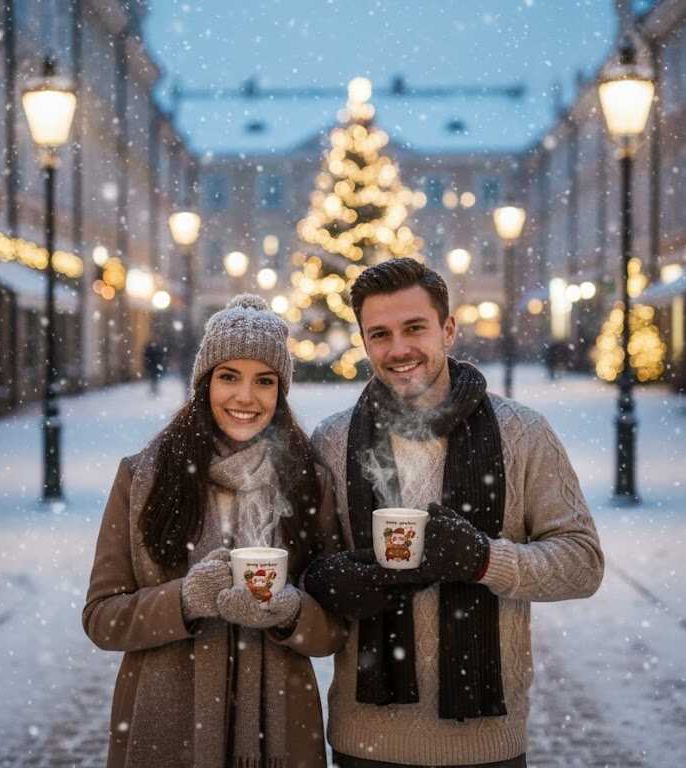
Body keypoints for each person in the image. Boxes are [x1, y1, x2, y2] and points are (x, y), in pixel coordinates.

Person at [303, 258, 604, 768]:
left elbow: (582, 563)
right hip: (366, 740)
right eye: (379, 334)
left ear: (448, 330)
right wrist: (328, 580)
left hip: (486, 742)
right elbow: (306, 573)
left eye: (414, 328)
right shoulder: (333, 441)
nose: (398, 349)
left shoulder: (521, 433)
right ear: (363, 341)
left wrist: (485, 561)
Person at [83, 294, 346, 768]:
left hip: (280, 731)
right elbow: (102, 618)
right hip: (166, 731)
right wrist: (184, 600)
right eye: (229, 377)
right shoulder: (143, 477)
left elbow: (333, 630)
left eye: (264, 382)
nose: (246, 397)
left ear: (280, 392)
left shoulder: (309, 480)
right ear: (204, 383)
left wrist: (289, 611)